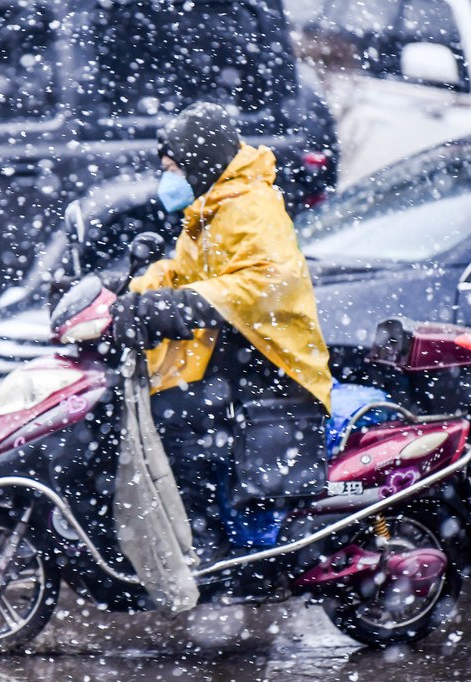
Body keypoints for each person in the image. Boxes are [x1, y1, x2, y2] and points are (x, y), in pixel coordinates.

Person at [110, 102, 333, 563]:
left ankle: (208, 539)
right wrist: (132, 290)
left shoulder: (250, 207)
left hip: (274, 360)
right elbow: (185, 271)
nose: (167, 178)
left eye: (173, 167)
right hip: (240, 348)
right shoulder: (215, 204)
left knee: (179, 416)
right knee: (161, 404)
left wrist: (179, 304)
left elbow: (262, 282)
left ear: (199, 159)